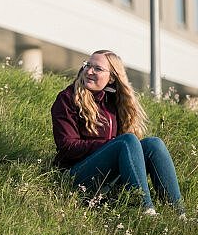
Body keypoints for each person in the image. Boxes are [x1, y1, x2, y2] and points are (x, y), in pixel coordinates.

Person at [50, 50, 184, 215]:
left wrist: (116, 146)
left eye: (97, 69)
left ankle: (179, 214)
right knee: (126, 141)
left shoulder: (112, 102)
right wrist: (109, 146)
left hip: (107, 178)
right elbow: (67, 146)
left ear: (112, 78)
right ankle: (146, 210)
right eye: (88, 65)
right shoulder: (68, 98)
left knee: (153, 144)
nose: (89, 71)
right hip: (76, 176)